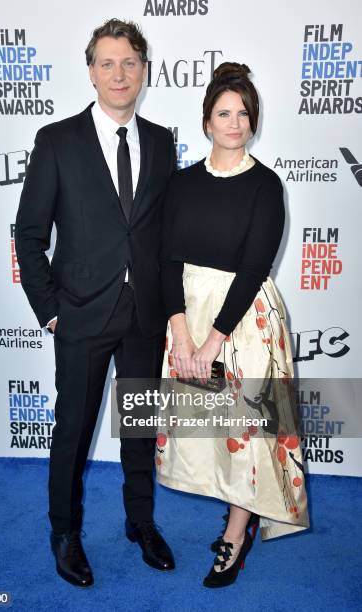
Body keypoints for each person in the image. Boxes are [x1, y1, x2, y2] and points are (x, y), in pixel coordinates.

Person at [15, 18, 176, 587]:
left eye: (129, 62)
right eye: (107, 63)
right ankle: (64, 530)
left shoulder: (159, 141)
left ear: (143, 71)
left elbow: (160, 234)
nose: (119, 73)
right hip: (80, 315)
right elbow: (28, 234)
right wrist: (51, 309)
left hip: (144, 318)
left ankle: (140, 522)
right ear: (90, 72)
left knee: (137, 428)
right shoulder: (56, 140)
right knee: (73, 430)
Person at [156, 62, 310, 588]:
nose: (234, 123)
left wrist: (213, 340)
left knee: (249, 429)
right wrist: (181, 334)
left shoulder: (267, 186)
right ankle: (234, 517)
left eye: (244, 113)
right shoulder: (180, 184)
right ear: (207, 122)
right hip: (189, 317)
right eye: (224, 113)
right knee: (213, 432)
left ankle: (237, 535)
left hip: (244, 322)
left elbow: (253, 269)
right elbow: (165, 260)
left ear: (254, 121)